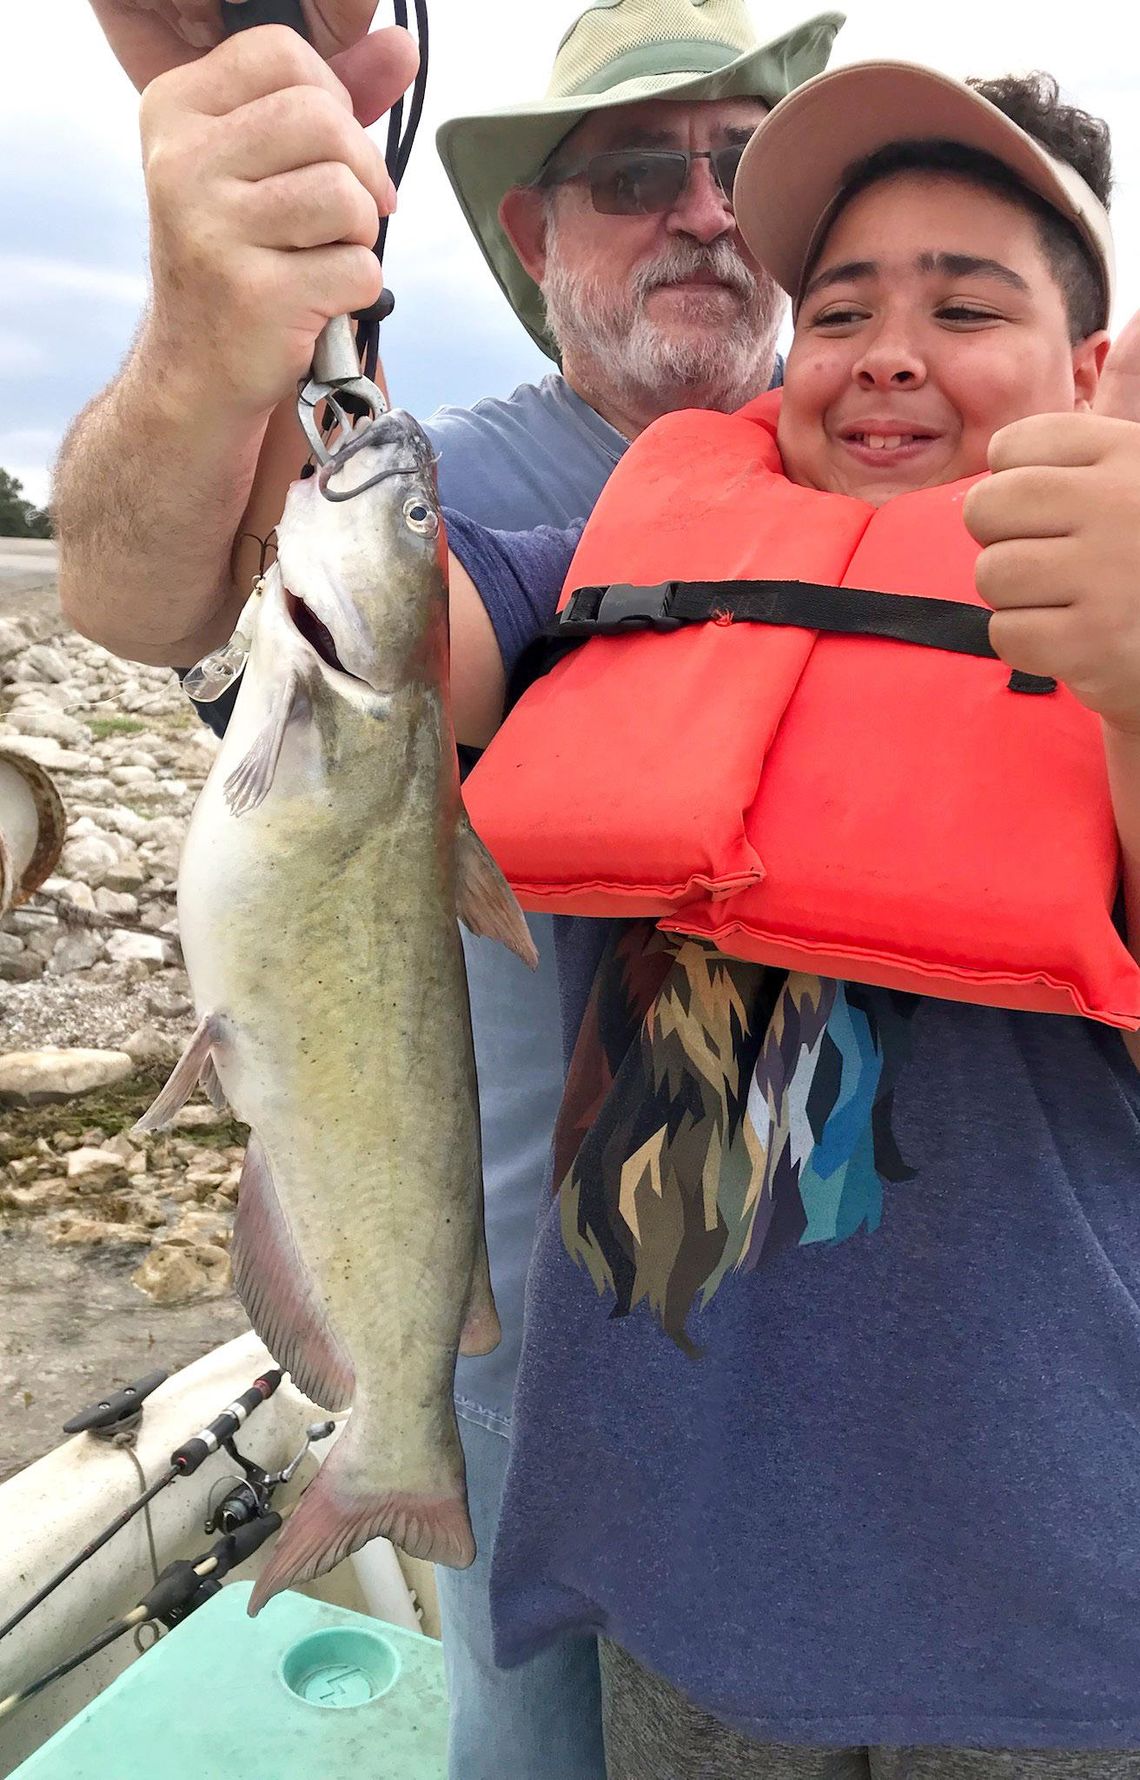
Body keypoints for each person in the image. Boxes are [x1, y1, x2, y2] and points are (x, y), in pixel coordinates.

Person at [55, 4, 841, 1776]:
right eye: (638, 174)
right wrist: (202, 339)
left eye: (741, 166)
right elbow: (139, 588)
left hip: (831, 1358)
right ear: (531, 240)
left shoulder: (886, 473)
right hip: (499, 1335)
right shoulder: (443, 497)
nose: (704, 210)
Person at [431, 61, 1140, 1777]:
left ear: (1093, 372)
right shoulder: (603, 561)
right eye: (837, 310)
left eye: (965, 304)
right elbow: (365, 635)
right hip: (697, 1575)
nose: (889, 347)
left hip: (1051, 1600)